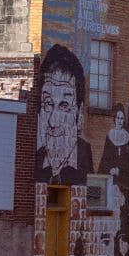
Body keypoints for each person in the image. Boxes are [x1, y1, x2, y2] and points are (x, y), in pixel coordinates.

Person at [33, 44, 93, 188]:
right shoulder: (30, 159)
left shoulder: (86, 160)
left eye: (64, 105)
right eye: (47, 104)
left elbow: (96, 197)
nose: (53, 121)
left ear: (79, 115)